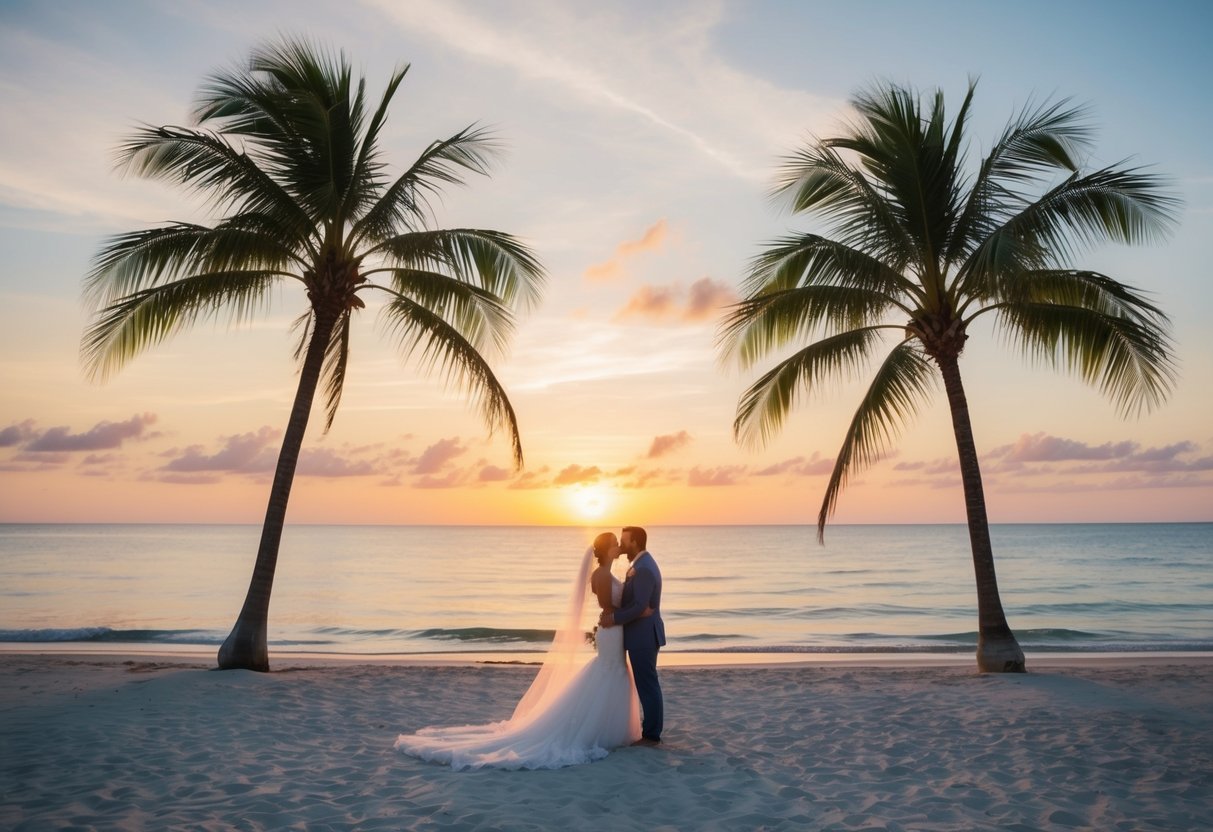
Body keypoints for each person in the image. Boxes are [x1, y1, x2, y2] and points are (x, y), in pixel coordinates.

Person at [394, 532, 641, 769]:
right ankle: (603, 732)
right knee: (610, 674)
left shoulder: (604, 573)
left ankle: (608, 730)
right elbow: (608, 611)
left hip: (612, 633)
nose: (619, 546)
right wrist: (640, 612)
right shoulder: (601, 574)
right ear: (607, 550)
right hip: (611, 632)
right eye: (614, 544)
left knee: (611, 674)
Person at [599, 525, 664, 745]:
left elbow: (638, 606)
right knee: (645, 683)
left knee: (647, 684)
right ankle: (650, 731)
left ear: (635, 541)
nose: (621, 544)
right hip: (638, 633)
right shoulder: (638, 564)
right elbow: (636, 604)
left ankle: (652, 735)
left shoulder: (644, 567)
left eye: (624, 540)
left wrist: (614, 619)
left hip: (644, 635)